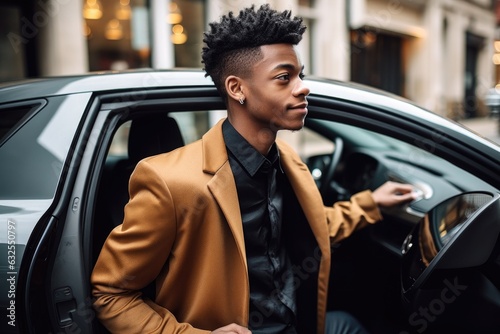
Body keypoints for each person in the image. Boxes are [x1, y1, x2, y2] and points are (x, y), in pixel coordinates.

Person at [91, 4, 416, 333]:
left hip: (297, 323)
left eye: (300, 75)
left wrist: (373, 203)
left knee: (350, 324)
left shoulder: (286, 160)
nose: (303, 87)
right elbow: (111, 293)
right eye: (284, 77)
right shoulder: (172, 182)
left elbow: (311, 229)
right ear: (237, 89)